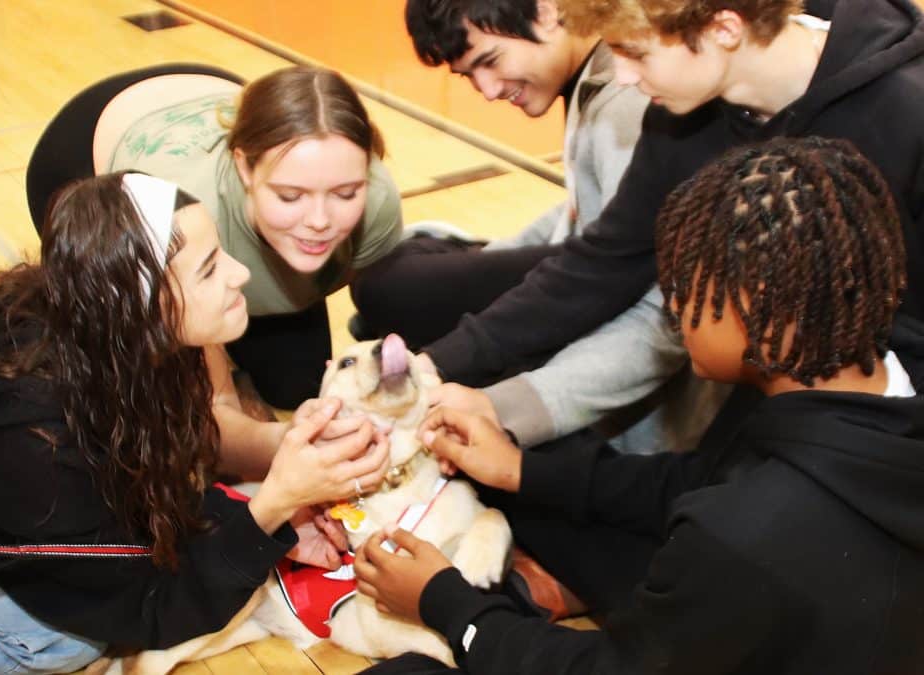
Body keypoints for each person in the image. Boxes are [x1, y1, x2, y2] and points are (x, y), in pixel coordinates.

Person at [353, 137, 924, 674]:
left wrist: (449, 605)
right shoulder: (870, 383)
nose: (671, 305)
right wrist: (520, 471)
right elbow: (701, 479)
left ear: (760, 309)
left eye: (685, 287)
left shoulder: (743, 534)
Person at [0, 173, 391, 673]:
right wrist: (270, 506)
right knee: (61, 647)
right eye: (209, 268)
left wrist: (273, 520)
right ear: (140, 308)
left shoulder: (101, 337)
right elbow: (144, 610)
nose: (240, 273)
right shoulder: (37, 446)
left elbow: (147, 482)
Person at [417, 0, 924, 429]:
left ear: (724, 29)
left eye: (634, 53)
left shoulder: (905, 106)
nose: (621, 76)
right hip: (781, 399)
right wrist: (435, 367)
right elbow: (602, 264)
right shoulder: (679, 118)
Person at [354, 0, 719, 453]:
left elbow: (646, 305)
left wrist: (505, 404)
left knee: (389, 287)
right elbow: (583, 215)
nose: (486, 90)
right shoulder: (596, 79)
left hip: (630, 395)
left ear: (548, 11)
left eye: (490, 61)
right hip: (586, 274)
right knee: (401, 275)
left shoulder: (629, 100)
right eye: (469, 75)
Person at [27, 64, 403, 409]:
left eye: (345, 193)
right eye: (290, 196)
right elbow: (219, 411)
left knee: (295, 389)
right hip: (89, 139)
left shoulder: (377, 199)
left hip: (210, 91)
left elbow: (375, 303)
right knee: (154, 400)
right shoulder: (190, 214)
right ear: (244, 166)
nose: (320, 221)